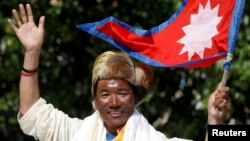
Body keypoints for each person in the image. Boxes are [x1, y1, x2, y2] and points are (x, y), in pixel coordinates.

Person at [8, 3, 231, 141]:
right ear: (94, 99)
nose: (114, 102)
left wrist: (214, 121)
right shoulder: (74, 133)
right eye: (105, 94)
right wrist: (32, 52)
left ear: (134, 97)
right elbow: (31, 113)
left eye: (122, 93)